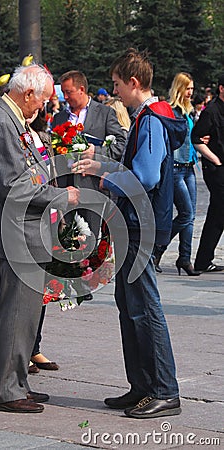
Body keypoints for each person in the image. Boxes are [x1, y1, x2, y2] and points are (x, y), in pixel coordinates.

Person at [72, 48, 186, 418]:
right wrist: (103, 164)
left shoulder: (151, 118)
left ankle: (165, 391)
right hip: (139, 224)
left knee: (144, 308)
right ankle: (142, 386)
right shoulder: (151, 115)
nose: (115, 91)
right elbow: (139, 169)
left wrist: (105, 174)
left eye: (118, 84)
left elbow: (147, 176)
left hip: (142, 226)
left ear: (133, 83)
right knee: (131, 306)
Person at [0, 63, 80, 413]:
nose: (45, 108)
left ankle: (17, 382)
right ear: (28, 92)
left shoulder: (10, 118)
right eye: (44, 100)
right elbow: (14, 185)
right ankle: (6, 390)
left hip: (23, 229)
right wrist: (61, 197)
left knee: (26, 316)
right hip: (17, 232)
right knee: (18, 314)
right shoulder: (1, 121)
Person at [52, 70, 126, 301]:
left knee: (91, 233)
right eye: (63, 92)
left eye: (69, 92)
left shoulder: (104, 114)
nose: (65, 97)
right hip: (66, 184)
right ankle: (73, 280)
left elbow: (121, 145)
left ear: (82, 90)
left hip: (93, 185)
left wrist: (97, 152)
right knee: (68, 234)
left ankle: (87, 280)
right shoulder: (59, 118)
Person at [153, 73, 201, 276]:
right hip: (175, 167)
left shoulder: (189, 112)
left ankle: (184, 258)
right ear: (180, 88)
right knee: (186, 214)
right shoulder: (171, 111)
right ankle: (157, 250)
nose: (191, 92)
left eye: (192, 88)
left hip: (189, 166)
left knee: (189, 217)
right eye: (188, 88)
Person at [26, 108, 59, 375]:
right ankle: (20, 350)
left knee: (43, 289)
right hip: (25, 216)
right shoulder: (16, 135)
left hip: (48, 214)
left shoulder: (44, 137)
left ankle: (34, 346)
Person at [192, 75, 224, 273]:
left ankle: (203, 260)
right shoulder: (211, 111)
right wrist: (215, 159)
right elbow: (196, 138)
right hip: (217, 169)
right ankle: (203, 259)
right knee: (218, 213)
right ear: (222, 88)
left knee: (216, 215)